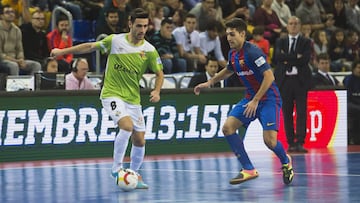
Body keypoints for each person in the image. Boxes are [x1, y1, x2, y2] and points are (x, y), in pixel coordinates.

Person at [50, 8, 164, 189]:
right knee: (126, 126)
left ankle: (133, 175)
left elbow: (159, 74)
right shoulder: (115, 40)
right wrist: (62, 51)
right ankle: (116, 168)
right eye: (139, 26)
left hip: (133, 99)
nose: (142, 30)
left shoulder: (149, 50)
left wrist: (157, 91)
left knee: (140, 140)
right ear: (130, 24)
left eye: (145, 26)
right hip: (111, 93)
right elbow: (88, 46)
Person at [194, 18, 294, 185]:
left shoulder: (253, 52)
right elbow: (228, 70)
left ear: (242, 34)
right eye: (227, 35)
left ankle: (285, 160)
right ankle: (248, 169)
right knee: (228, 128)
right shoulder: (232, 54)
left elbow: (269, 76)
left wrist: (256, 100)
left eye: (232, 34)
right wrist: (210, 82)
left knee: (270, 141)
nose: (229, 38)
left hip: (268, 99)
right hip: (250, 98)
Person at [273, 16, 312, 153]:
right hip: (285, 82)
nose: (293, 26)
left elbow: (305, 59)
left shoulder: (306, 41)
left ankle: (300, 142)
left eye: (296, 23)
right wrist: (296, 57)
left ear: (300, 25)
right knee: (287, 112)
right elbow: (277, 58)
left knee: (301, 112)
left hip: (300, 81)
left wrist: (287, 58)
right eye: (291, 24)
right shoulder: (280, 41)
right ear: (287, 26)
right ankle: (291, 143)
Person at [0, 5, 42, 75]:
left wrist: (21, 59)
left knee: (36, 65)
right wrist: (16, 61)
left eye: (12, 12)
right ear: (1, 16)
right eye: (7, 12)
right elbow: (0, 55)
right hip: (3, 60)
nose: (11, 14)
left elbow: (20, 50)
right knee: (14, 66)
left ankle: (32, 85)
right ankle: (15, 85)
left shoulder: (17, 30)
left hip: (15, 60)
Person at [343, 60, 360, 144]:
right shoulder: (349, 79)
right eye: (358, 68)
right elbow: (347, 97)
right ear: (353, 69)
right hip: (350, 104)